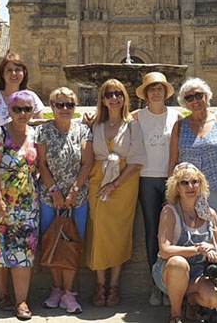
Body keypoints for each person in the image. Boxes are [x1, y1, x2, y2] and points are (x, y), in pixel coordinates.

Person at [0, 54, 45, 294]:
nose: (14, 74)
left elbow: (39, 134)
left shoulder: (32, 97)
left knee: (23, 244)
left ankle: (20, 299)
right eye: (9, 69)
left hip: (25, 187)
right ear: (2, 73)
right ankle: (0, 294)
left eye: (19, 69)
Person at [168, 78, 217, 300]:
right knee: (190, 245)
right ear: (184, 102)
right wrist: (171, 199)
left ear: (207, 95)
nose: (195, 100)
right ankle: (193, 297)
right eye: (189, 97)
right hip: (187, 196)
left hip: (216, 193)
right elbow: (172, 164)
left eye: (199, 95)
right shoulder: (180, 126)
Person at [0, 91, 41, 320]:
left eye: (27, 109)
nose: (22, 114)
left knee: (24, 250)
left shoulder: (35, 133)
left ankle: (21, 302)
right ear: (9, 111)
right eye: (17, 109)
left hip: (26, 203)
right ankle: (3, 295)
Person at [86, 79, 147, 307]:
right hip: (98, 180)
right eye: (109, 94)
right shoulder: (95, 124)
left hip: (124, 184)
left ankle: (114, 285)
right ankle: (100, 285)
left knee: (120, 232)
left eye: (118, 93)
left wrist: (115, 184)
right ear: (102, 99)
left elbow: (137, 160)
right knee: (99, 231)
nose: (114, 98)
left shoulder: (133, 124)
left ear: (124, 98)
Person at [34, 87, 93, 314]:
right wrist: (55, 191)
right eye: (60, 105)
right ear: (52, 107)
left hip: (78, 199)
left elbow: (87, 164)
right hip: (50, 198)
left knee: (72, 245)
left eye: (69, 104)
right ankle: (56, 288)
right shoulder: (44, 131)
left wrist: (74, 191)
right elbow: (42, 164)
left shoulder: (83, 131)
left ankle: (69, 292)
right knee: (52, 242)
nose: (65, 109)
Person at [154, 162, 217, 323]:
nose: (190, 186)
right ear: (177, 187)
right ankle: (175, 315)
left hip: (198, 273)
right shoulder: (170, 211)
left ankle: (191, 303)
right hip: (169, 271)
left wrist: (212, 248)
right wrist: (198, 250)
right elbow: (165, 250)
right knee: (179, 264)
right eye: (184, 182)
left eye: (195, 181)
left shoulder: (210, 214)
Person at [133, 72, 182, 307]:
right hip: (146, 178)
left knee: (171, 231)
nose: (155, 92)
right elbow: (108, 120)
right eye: (151, 89)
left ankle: (170, 281)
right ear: (145, 93)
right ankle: (156, 284)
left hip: (170, 179)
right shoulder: (136, 117)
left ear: (165, 92)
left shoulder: (177, 116)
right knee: (153, 229)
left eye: (159, 88)